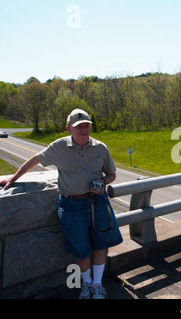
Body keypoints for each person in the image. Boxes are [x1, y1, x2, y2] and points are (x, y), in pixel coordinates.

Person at [0, 109, 123, 299]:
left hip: (98, 202)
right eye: (79, 126)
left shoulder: (101, 148)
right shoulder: (59, 147)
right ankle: (87, 285)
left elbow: (112, 174)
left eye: (87, 125)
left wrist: (104, 182)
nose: (84, 129)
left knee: (101, 244)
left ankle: (98, 285)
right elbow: (35, 160)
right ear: (68, 129)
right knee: (80, 249)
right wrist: (14, 178)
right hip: (72, 205)